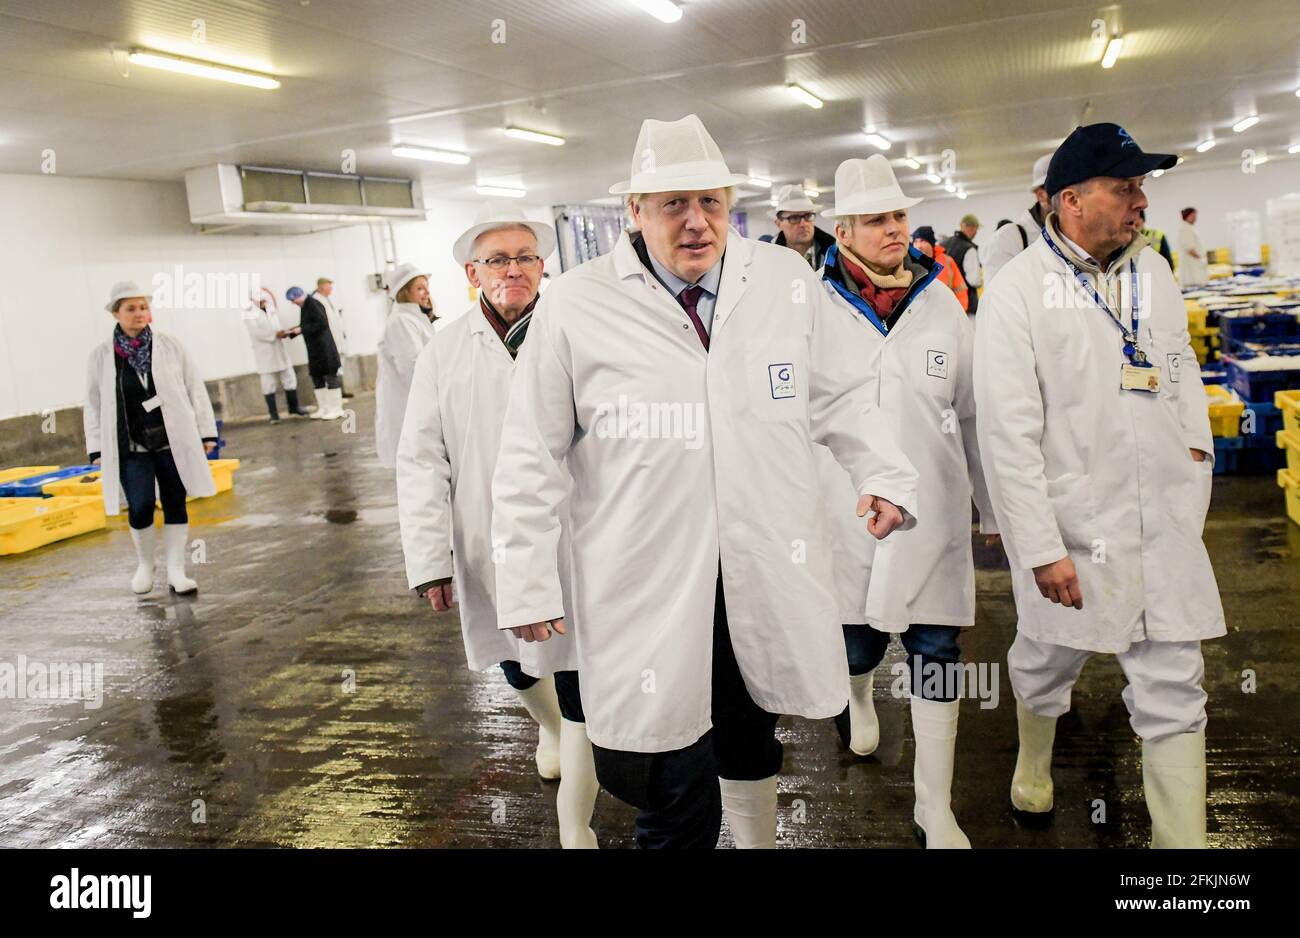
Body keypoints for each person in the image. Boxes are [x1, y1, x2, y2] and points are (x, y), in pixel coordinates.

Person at [490, 114, 918, 849]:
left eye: (710, 203)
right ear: (634, 211)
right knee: (666, 772)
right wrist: (527, 577)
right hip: (646, 577)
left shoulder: (782, 279)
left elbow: (841, 391)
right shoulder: (578, 302)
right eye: (672, 205)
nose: (696, 223)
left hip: (760, 562)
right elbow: (530, 450)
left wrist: (881, 471)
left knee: (752, 729)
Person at [975, 123, 1221, 849]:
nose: (1141, 201)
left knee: (1176, 690)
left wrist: (1195, 464)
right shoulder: (1017, 292)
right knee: (1047, 660)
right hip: (1076, 533)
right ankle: (1034, 757)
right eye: (1127, 187)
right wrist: (1040, 546)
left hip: (1165, 524)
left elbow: (1182, 377)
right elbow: (1007, 435)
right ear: (1072, 200)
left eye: (1143, 186)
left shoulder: (1155, 273)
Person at [396, 204, 599, 848]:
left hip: (578, 530)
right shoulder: (444, 350)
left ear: (544, 266)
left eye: (525, 258)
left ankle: (576, 823)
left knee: (580, 671)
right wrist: (430, 559)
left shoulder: (579, 329)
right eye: (497, 260)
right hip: (487, 538)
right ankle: (550, 726)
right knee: (517, 662)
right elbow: (422, 459)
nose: (513, 269)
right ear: (471, 273)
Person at [816, 156, 994, 848]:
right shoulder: (810, 307)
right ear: (843, 230)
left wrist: (994, 511)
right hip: (847, 512)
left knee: (937, 648)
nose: (894, 230)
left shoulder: (943, 302)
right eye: (875, 220)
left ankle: (933, 804)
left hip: (934, 513)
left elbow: (975, 413)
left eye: (898, 216)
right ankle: (859, 697)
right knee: (855, 644)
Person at [84, 282, 218, 595]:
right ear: (116, 313)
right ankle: (146, 564)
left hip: (173, 440)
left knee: (175, 500)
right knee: (141, 504)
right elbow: (93, 403)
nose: (139, 314)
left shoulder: (170, 345)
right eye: (131, 308)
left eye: (143, 307)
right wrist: (96, 448)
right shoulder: (102, 356)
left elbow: (194, 387)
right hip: (131, 445)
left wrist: (206, 431)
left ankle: (176, 570)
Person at [374, 263, 436, 468]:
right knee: (416, 463)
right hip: (409, 403)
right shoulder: (401, 321)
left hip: (419, 402)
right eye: (419, 288)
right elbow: (412, 367)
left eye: (426, 286)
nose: (426, 292)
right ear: (404, 293)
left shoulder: (413, 318)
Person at [982, 154, 1053, 284]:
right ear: (1040, 194)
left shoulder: (1079, 236)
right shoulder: (1008, 240)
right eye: (1060, 189)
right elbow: (998, 298)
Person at [243, 287, 307, 423]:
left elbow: (276, 325)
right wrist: (274, 335)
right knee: (268, 383)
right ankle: (273, 414)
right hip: (265, 353)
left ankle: (294, 407)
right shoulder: (249, 314)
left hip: (279, 350)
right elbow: (256, 333)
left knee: (289, 377)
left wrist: (283, 332)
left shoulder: (270, 309)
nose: (262, 299)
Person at [287, 286, 343, 420]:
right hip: (315, 351)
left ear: (298, 296)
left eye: (293, 300)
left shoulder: (313, 304)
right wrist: (296, 331)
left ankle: (336, 408)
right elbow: (309, 324)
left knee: (330, 377)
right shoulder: (305, 306)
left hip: (325, 349)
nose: (293, 303)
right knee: (317, 379)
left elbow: (322, 323)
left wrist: (301, 329)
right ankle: (324, 408)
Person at [771, 184, 835, 269]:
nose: (804, 224)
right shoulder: (768, 254)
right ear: (778, 223)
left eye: (808, 216)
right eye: (794, 218)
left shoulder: (834, 252)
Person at [911, 224, 969, 311]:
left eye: (923, 241)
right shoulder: (909, 264)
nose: (919, 245)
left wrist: (960, 312)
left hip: (946, 314)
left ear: (931, 244)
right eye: (916, 241)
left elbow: (960, 289)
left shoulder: (947, 261)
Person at [312, 276, 350, 398]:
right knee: (333, 368)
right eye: (329, 286)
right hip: (329, 341)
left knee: (339, 366)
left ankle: (341, 392)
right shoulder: (316, 301)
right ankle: (338, 394)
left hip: (337, 338)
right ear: (322, 287)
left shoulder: (327, 299)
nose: (331, 288)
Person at [942, 214, 983, 314]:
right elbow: (974, 280)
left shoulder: (944, 243)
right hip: (965, 302)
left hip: (945, 301)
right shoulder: (969, 249)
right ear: (974, 228)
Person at [1179, 208, 1209, 287]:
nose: (1195, 218)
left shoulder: (1190, 228)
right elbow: (1189, 248)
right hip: (1193, 267)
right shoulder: (1185, 229)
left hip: (1196, 264)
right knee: (1194, 286)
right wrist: (1200, 259)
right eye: (1193, 215)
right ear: (1188, 216)